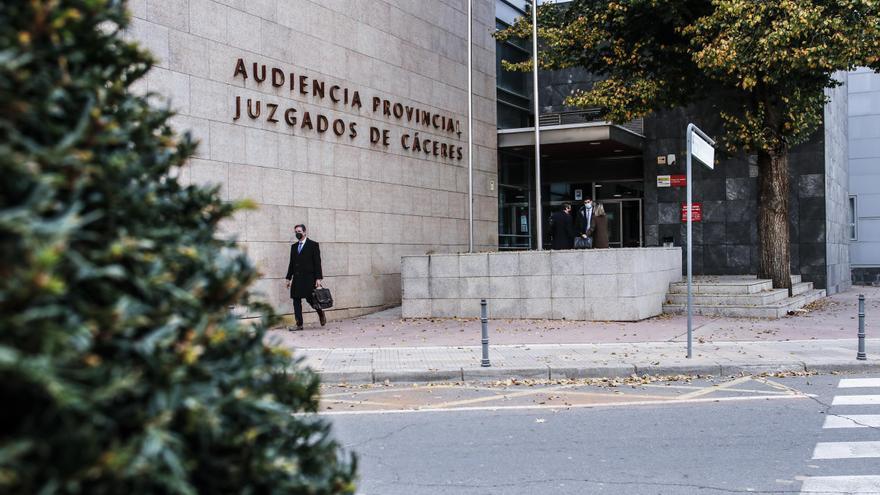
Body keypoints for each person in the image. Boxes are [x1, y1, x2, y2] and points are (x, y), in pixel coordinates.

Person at [285, 224, 325, 330]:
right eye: (296, 232)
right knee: (296, 300)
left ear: (304, 232)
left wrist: (318, 279)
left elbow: (317, 263)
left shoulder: (313, 245)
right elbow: (291, 264)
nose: (297, 233)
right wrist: (288, 278)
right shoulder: (294, 247)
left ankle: (320, 313)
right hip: (297, 278)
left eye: (299, 231)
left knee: (311, 300)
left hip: (309, 278)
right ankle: (299, 324)